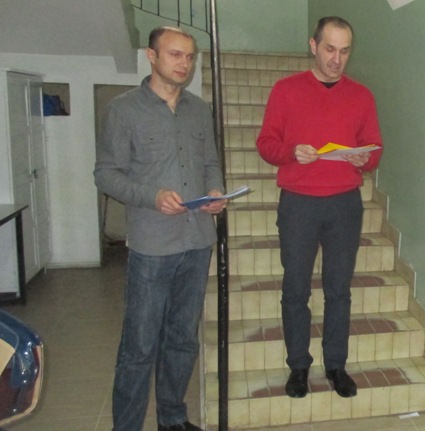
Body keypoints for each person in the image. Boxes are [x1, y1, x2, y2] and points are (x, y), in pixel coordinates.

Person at [94, 26, 225, 431]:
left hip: (197, 241)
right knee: (139, 347)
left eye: (190, 56)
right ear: (151, 56)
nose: (184, 63)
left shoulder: (199, 110)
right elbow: (105, 175)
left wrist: (215, 190)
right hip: (152, 247)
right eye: (175, 54)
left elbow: (210, 163)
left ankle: (172, 419)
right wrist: (153, 196)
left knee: (183, 340)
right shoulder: (123, 110)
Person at [256, 16, 382, 400]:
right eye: (329, 49)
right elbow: (266, 144)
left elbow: (375, 149)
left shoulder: (361, 96)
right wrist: (291, 152)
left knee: (338, 290)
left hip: (344, 203)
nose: (336, 59)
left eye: (344, 51)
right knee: (296, 288)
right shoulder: (286, 90)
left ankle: (336, 365)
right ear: (313, 46)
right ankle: (298, 366)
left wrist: (365, 159)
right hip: (298, 203)